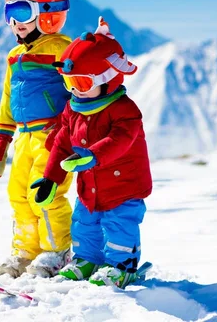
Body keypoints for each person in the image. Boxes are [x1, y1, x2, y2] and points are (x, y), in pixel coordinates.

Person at [30, 17, 153, 288]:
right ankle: (87, 259)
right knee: (84, 223)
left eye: (82, 83)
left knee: (118, 225)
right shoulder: (74, 108)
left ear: (108, 79)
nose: (74, 90)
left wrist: (93, 155)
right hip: (90, 186)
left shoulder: (124, 110)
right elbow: (62, 140)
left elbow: (121, 139)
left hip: (123, 187)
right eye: (68, 82)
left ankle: (121, 265)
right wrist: (50, 178)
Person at [0, 0, 74, 277]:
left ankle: (56, 251)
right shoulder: (15, 56)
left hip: (52, 137)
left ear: (48, 13)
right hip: (24, 136)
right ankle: (26, 251)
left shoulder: (63, 51)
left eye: (22, 12)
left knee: (45, 194)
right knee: (18, 195)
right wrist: (2, 136)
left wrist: (70, 130)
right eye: (9, 13)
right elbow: (8, 97)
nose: (15, 22)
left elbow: (79, 92)